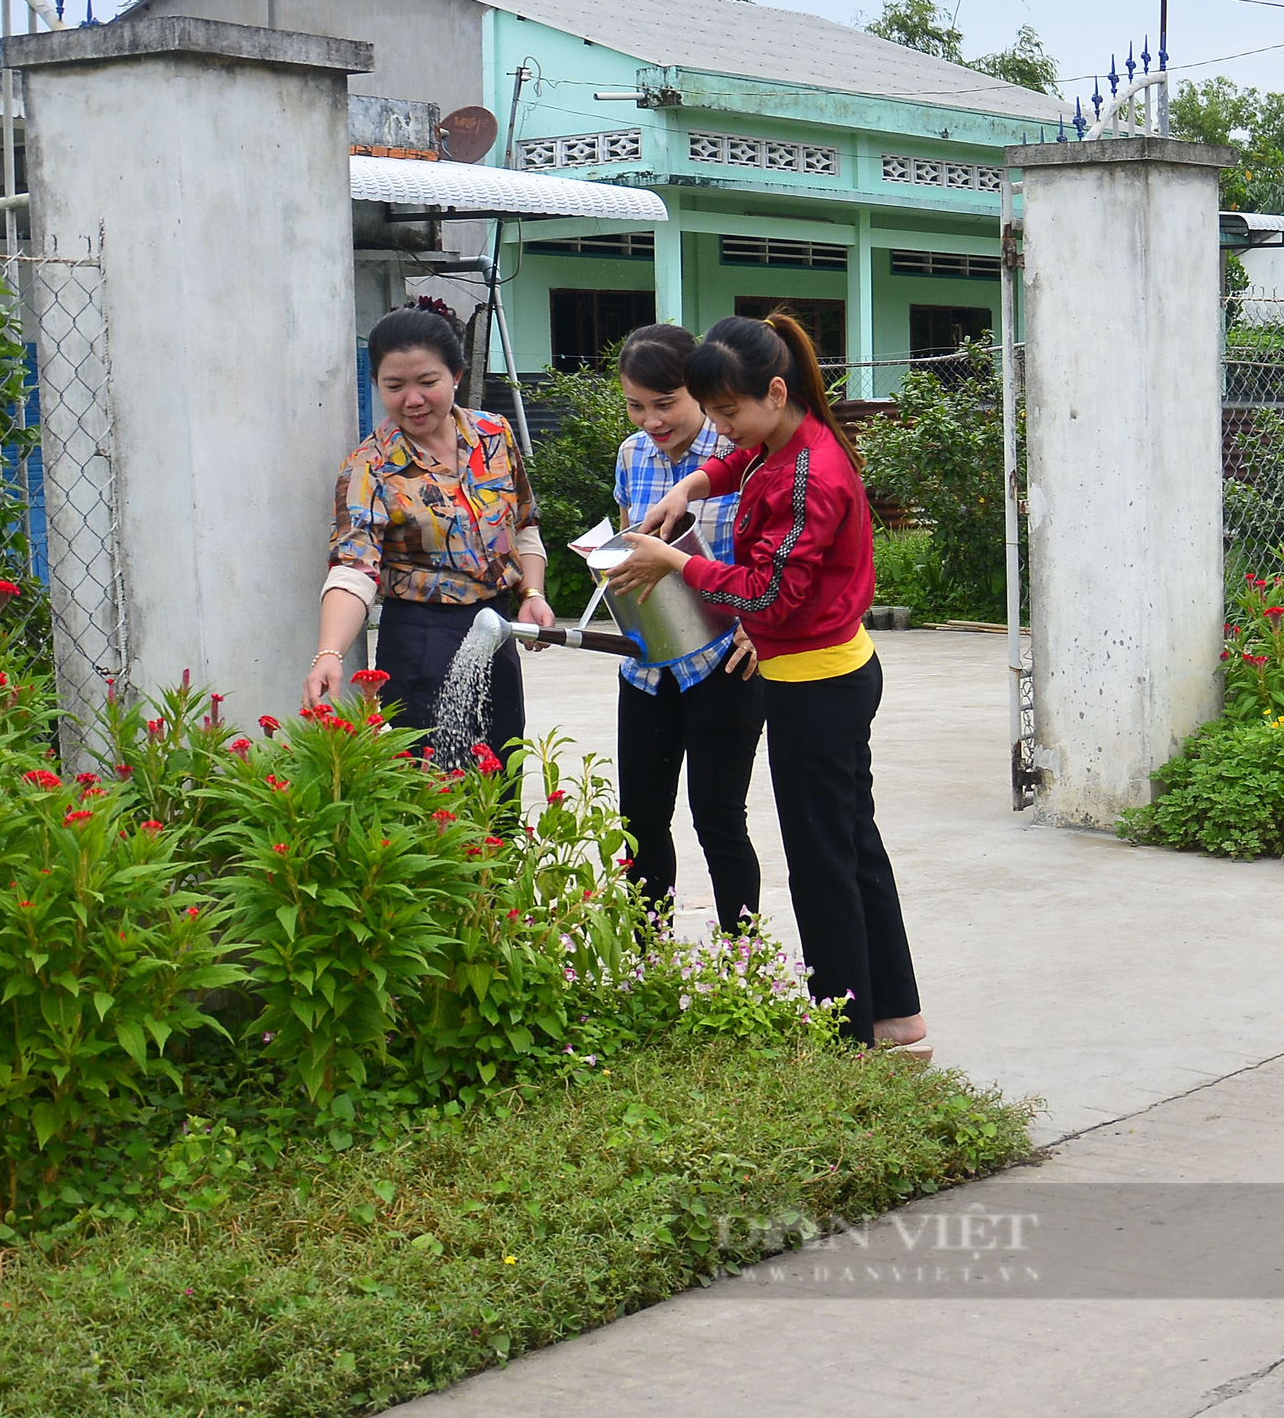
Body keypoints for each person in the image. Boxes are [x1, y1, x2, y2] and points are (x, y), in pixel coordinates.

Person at [605, 314, 928, 1056]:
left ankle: (844, 1034)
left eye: (726, 414)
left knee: (822, 866)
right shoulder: (785, 440)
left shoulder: (806, 474)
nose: (723, 431)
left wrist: (675, 561)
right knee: (851, 845)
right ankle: (895, 1015)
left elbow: (767, 596)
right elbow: (734, 465)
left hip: (815, 686)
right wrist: (691, 483)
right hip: (824, 676)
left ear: (774, 392)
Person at [302, 303, 553, 765]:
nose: (412, 400)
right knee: (430, 786)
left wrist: (530, 593)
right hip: (420, 642)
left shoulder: (494, 434)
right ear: (377, 384)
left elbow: (523, 525)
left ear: (455, 375)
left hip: (495, 632)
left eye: (427, 382)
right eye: (394, 386)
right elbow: (353, 570)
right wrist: (330, 652)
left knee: (499, 782)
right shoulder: (369, 468)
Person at [608, 323, 767, 937]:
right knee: (640, 820)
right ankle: (649, 960)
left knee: (719, 818)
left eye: (666, 402)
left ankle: (743, 960)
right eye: (636, 405)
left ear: (700, 391)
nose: (651, 419)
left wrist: (760, 628)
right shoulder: (631, 455)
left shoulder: (739, 457)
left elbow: (766, 562)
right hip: (647, 664)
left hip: (725, 663)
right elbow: (634, 548)